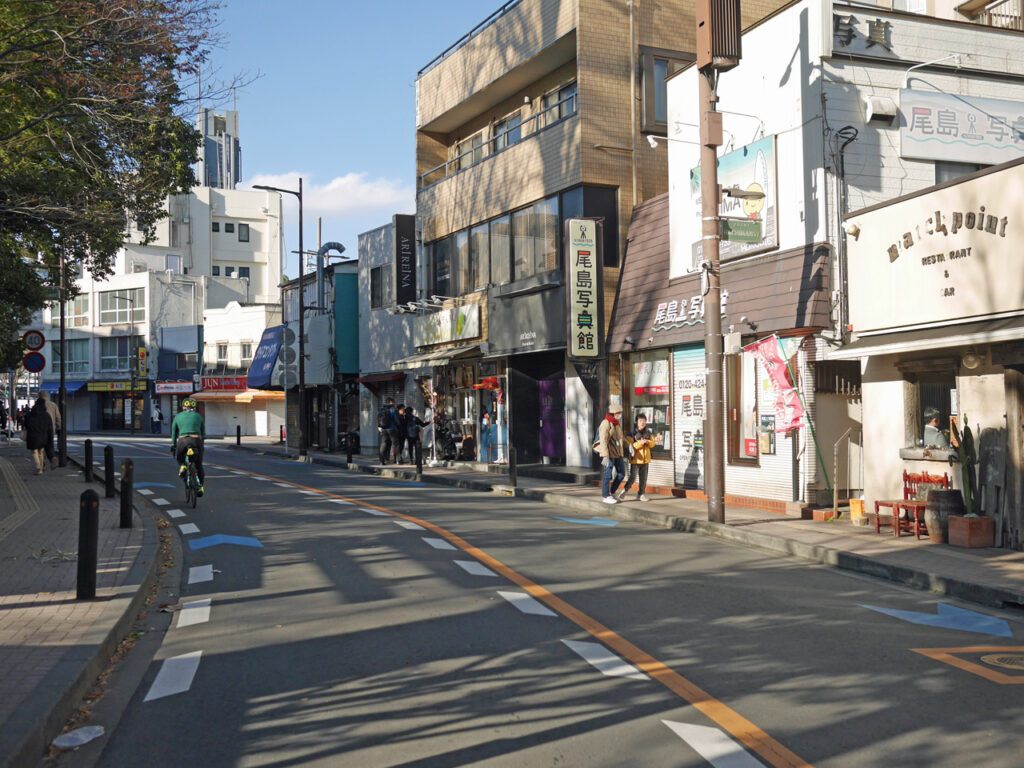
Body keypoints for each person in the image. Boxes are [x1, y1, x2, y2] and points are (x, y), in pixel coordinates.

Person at [170, 398, 206, 496]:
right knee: (198, 465)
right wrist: (201, 444)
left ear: (183, 407)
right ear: (194, 408)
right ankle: (200, 487)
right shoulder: (198, 416)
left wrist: (173, 444)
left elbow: (174, 432)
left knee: (180, 458)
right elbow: (203, 433)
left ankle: (183, 466)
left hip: (183, 440)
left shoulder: (178, 416)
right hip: (196, 441)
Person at [618, 413, 654, 502]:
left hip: (645, 460)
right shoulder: (632, 433)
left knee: (643, 479)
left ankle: (641, 494)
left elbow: (653, 443)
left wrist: (648, 442)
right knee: (633, 477)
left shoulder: (648, 432)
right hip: (635, 460)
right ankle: (625, 490)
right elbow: (630, 446)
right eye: (640, 421)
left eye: (644, 421)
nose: (642, 423)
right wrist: (640, 443)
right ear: (636, 422)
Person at [596, 404, 626, 504]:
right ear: (614, 413)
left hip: (618, 453)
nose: (620, 415)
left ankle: (612, 492)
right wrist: (605, 455)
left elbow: (621, 438)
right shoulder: (605, 423)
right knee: (607, 475)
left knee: (621, 474)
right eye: (619, 413)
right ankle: (605, 496)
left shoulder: (617, 423)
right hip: (609, 454)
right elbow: (603, 440)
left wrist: (629, 445)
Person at [25, 398, 54, 475]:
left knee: (34, 452)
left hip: (32, 436)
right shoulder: (46, 415)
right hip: (43, 436)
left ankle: (38, 467)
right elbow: (50, 427)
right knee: (41, 451)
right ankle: (41, 468)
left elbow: (26, 424)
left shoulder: (31, 414)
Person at [38, 391, 61, 468]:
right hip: (51, 429)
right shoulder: (53, 405)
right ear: (47, 396)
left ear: (39, 396)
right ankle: (52, 458)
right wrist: (58, 427)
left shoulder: (38, 405)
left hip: (40, 429)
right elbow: (58, 417)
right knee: (49, 446)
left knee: (40, 447)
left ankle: (42, 464)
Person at [379, 397, 399, 465]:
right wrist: (398, 426)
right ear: (390, 402)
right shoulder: (392, 409)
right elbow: (396, 420)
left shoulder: (382, 409)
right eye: (393, 402)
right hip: (392, 428)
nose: (394, 403)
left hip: (384, 429)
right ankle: (397, 460)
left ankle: (381, 461)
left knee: (383, 444)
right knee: (395, 444)